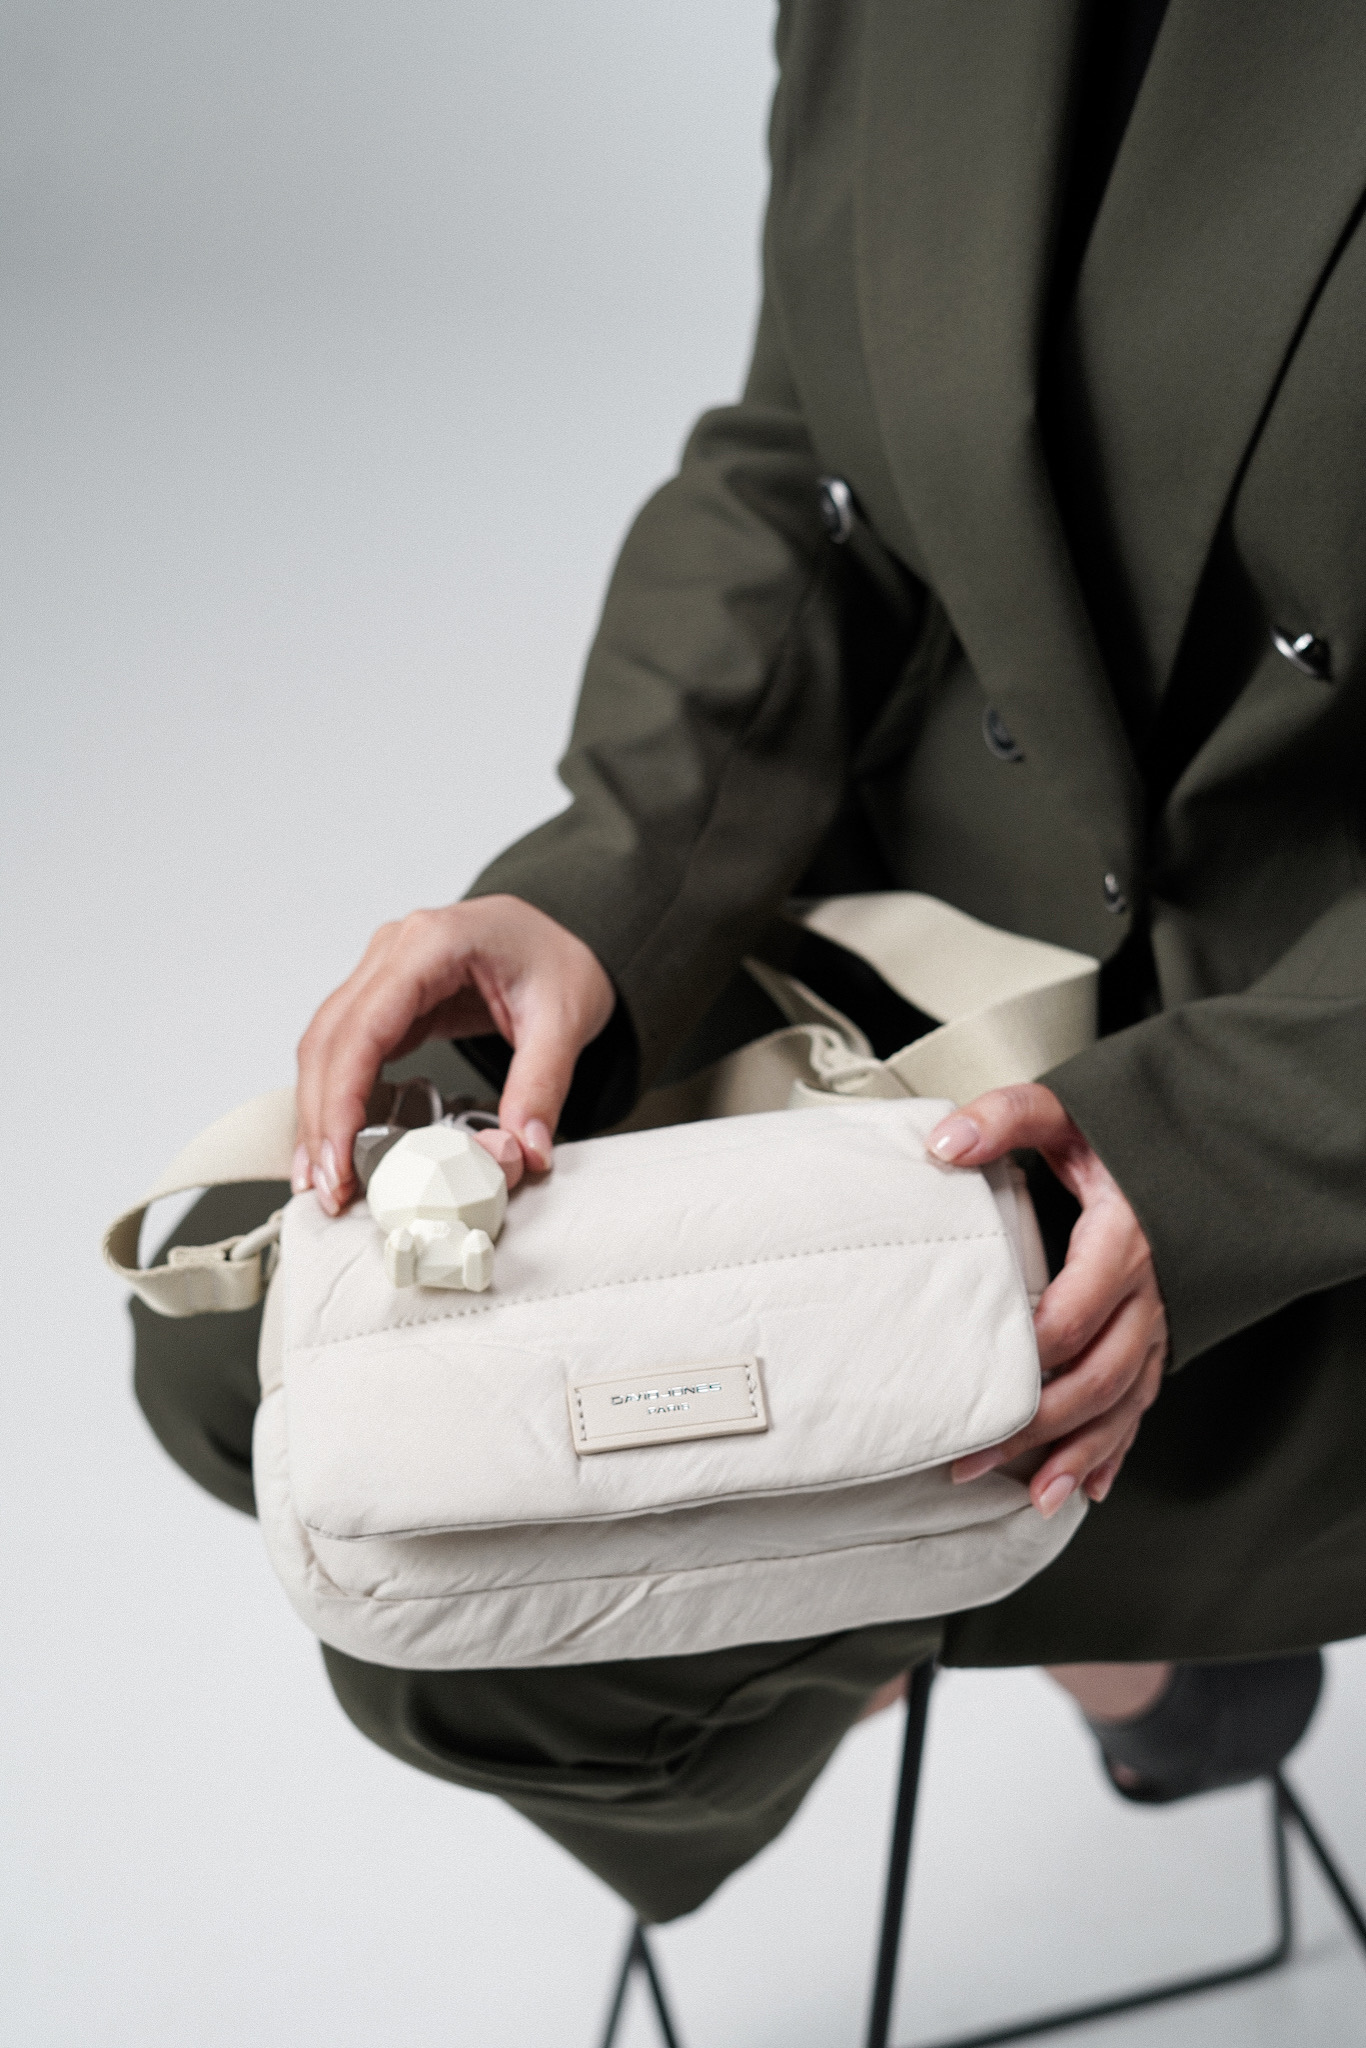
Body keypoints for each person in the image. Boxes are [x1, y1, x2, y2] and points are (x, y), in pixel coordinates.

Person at [136, 0, 1364, 1924]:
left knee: (471, 1641)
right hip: (926, 904)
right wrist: (603, 889)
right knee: (230, 1335)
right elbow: (803, 467)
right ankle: (1013, 1633)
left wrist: (1215, 1163)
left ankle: (1145, 1672)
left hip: (1296, 1084)